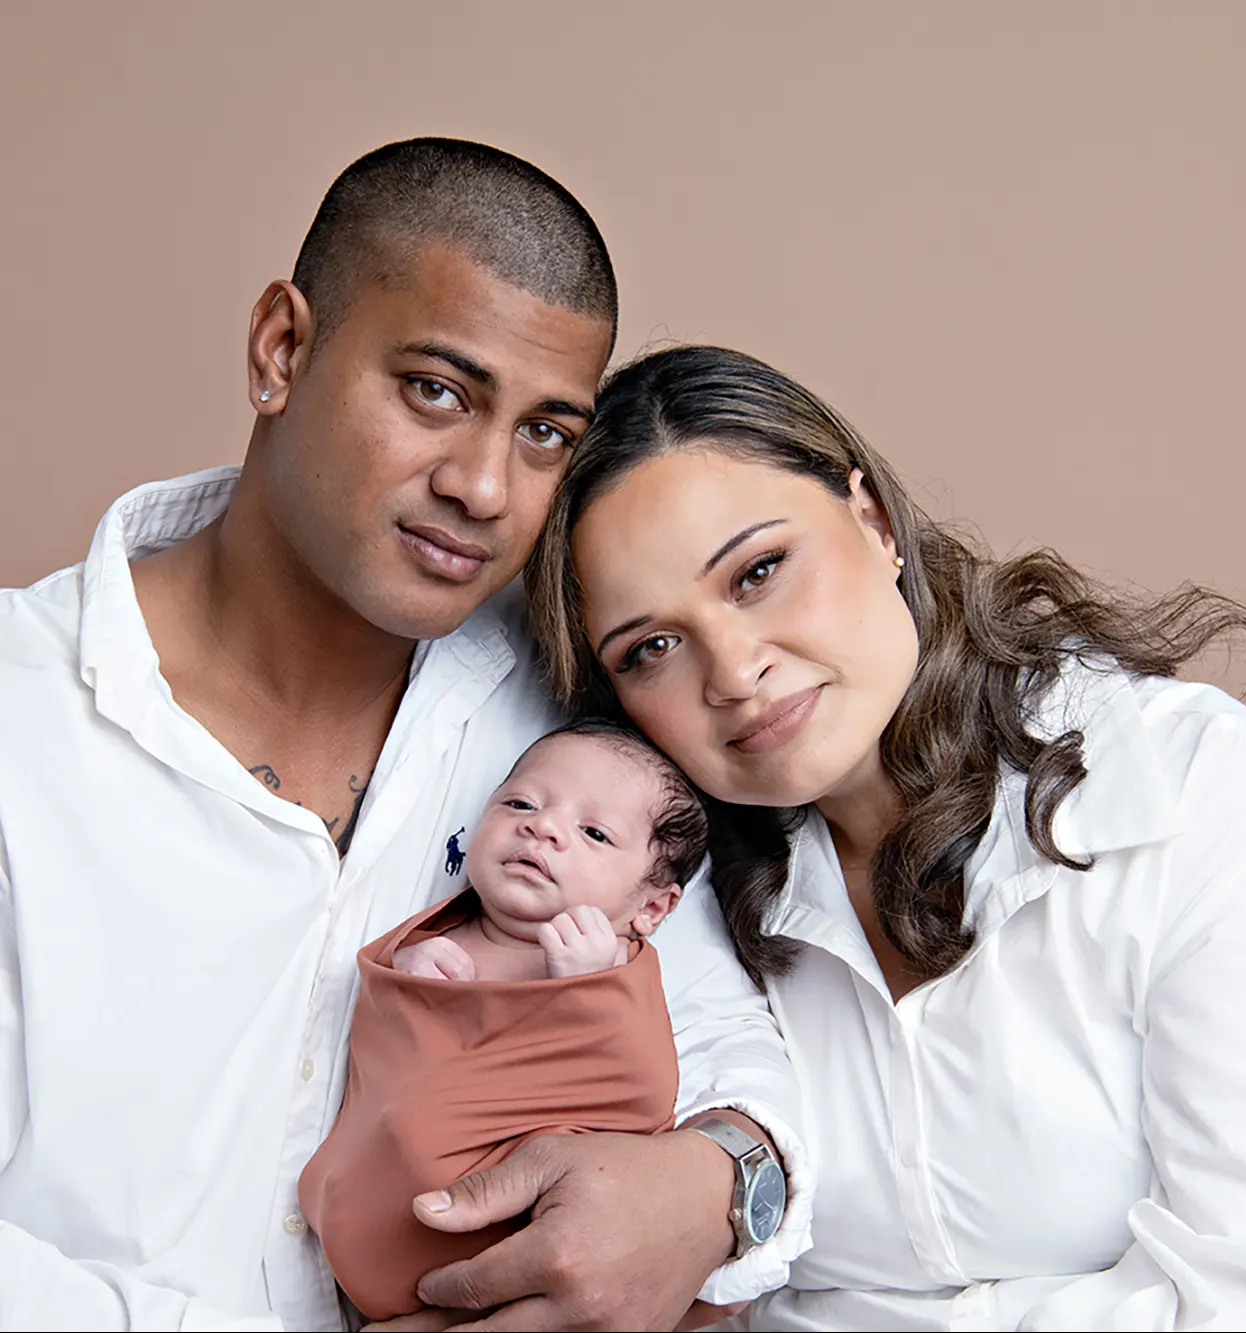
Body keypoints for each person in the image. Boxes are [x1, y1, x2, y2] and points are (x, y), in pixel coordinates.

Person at [0, 142, 811, 1331]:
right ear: (283, 349)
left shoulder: (561, 720)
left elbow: (732, 1041)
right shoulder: (23, 720)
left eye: (545, 433)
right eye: (436, 390)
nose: (485, 487)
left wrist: (715, 1180)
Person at [528, 345, 1246, 1330]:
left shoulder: (1186, 789)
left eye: (760, 571)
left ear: (870, 520)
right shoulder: (667, 909)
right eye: (652, 647)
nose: (732, 672)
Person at [300, 720, 713, 1320]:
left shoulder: (611, 975)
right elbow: (385, 1034)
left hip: (504, 1263)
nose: (542, 826)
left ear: (651, 907)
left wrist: (590, 994)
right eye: (519, 802)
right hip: (359, 1241)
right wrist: (410, 970)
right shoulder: (435, 932)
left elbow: (638, 1094)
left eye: (593, 832)